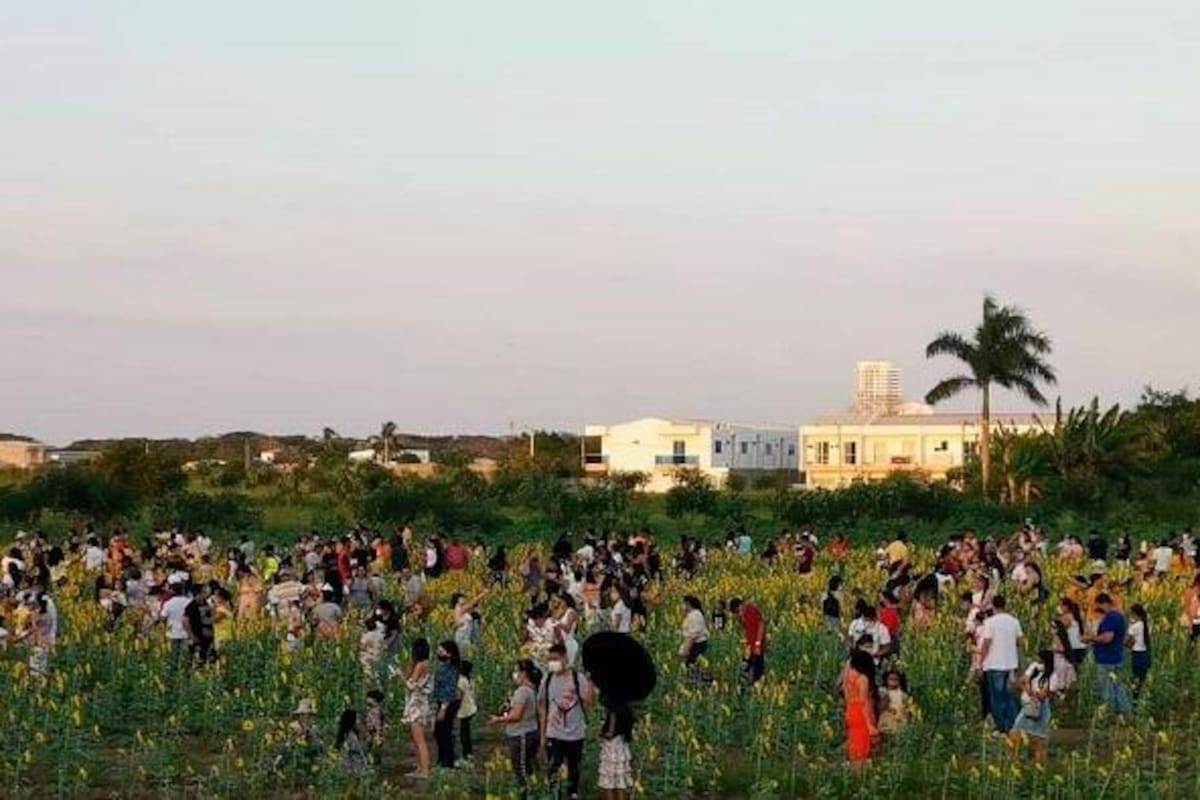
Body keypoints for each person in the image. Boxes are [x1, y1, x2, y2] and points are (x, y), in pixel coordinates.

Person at [539, 642, 596, 800]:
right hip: (554, 733)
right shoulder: (547, 679)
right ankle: (554, 795)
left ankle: (572, 794)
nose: (552, 663)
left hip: (575, 734)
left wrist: (591, 683)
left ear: (565, 658)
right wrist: (543, 735)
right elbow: (542, 706)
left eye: (555, 659)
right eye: (550, 659)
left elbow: (589, 704)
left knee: (574, 769)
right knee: (554, 768)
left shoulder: (579, 679)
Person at [491, 659, 541, 799]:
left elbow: (516, 715)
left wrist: (498, 720)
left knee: (521, 770)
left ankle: (528, 795)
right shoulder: (532, 688)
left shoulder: (523, 691)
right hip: (529, 732)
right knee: (527, 767)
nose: (515, 674)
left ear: (524, 673)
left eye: (516, 671)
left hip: (522, 734)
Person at [978, 595, 1025, 733]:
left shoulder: (990, 622)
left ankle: (1001, 727)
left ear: (993, 606)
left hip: (994, 664)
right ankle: (1013, 725)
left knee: (996, 697)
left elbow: (986, 643)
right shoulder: (1014, 621)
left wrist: (980, 663)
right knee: (1009, 695)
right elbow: (1021, 642)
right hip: (1011, 664)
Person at [1008, 650, 1062, 765]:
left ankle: (1039, 769)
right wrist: (1028, 688)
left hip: (1040, 708)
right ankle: (1013, 763)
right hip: (1029, 706)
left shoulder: (1053, 675)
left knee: (1039, 741)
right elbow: (1022, 681)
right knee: (1015, 734)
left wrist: (1029, 691)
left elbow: (1044, 695)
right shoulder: (1034, 668)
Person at [1086, 593, 1132, 715]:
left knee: (1106, 688)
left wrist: (1091, 638)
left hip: (1107, 660)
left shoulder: (1111, 618)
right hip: (1116, 657)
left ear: (1104, 603)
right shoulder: (1119, 616)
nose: (1097, 609)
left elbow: (1107, 638)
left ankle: (1111, 712)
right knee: (1118, 687)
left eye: (1098, 606)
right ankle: (1125, 712)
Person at [402, 637, 434, 779]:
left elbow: (410, 685)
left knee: (419, 740)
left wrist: (399, 676)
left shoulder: (421, 665)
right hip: (419, 703)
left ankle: (425, 771)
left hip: (417, 705)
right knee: (416, 739)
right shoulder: (424, 664)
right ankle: (419, 768)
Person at [843, 649, 877, 765]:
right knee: (861, 744)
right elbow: (863, 703)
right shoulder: (863, 679)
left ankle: (853, 765)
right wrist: (869, 725)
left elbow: (847, 696)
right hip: (860, 714)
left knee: (854, 739)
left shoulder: (848, 676)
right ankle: (857, 771)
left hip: (850, 710)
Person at [432, 640, 462, 769]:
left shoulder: (450, 669)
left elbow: (449, 690)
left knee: (444, 732)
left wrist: (443, 708)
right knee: (440, 732)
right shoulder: (444, 666)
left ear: (449, 654)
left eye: (441, 651)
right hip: (444, 702)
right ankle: (443, 759)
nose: (439, 653)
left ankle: (448, 762)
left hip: (448, 703)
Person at [598, 703, 635, 800]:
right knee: (620, 779)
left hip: (612, 745)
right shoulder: (626, 708)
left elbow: (612, 719)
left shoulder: (613, 708)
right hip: (621, 743)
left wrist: (609, 731)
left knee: (609, 779)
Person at [730, 598, 767, 684]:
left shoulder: (751, 610)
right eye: (737, 612)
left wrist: (758, 643)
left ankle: (757, 685)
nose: (739, 612)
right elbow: (745, 628)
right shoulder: (743, 614)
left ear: (741, 605)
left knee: (757, 666)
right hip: (750, 645)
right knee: (747, 665)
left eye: (738, 610)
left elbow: (761, 625)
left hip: (757, 644)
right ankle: (750, 684)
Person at [679, 595, 709, 682]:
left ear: (688, 604)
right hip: (696, 644)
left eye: (683, 604)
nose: (682, 606)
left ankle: (701, 684)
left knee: (693, 667)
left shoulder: (694, 615)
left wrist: (686, 648)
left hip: (696, 645)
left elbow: (693, 635)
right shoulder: (693, 614)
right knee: (694, 667)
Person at [877, 669, 914, 736]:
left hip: (899, 721)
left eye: (896, 679)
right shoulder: (883, 691)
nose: (893, 681)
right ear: (886, 680)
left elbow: (907, 707)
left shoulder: (902, 694)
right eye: (891, 679)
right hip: (887, 721)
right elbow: (880, 707)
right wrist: (886, 697)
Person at [1126, 603, 1151, 699]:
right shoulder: (1145, 624)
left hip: (1137, 656)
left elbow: (1126, 642)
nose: (1130, 616)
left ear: (1135, 614)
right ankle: (1142, 700)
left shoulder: (1135, 626)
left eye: (1131, 614)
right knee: (1142, 681)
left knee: (1136, 681)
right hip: (1145, 655)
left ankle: (1135, 702)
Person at [456, 659, 477, 766]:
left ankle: (466, 757)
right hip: (470, 708)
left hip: (464, 710)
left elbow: (459, 696)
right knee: (466, 733)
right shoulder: (470, 680)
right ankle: (469, 755)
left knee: (464, 734)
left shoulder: (461, 680)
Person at [336, 709, 368, 773]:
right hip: (353, 774)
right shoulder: (349, 739)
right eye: (357, 719)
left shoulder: (355, 736)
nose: (360, 722)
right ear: (352, 721)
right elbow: (345, 759)